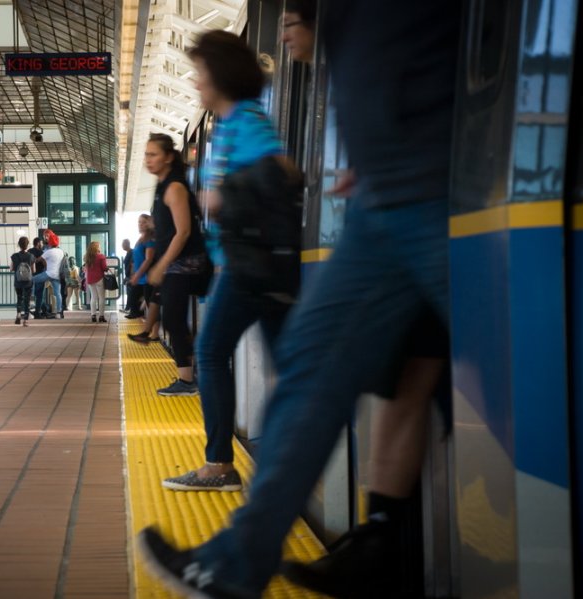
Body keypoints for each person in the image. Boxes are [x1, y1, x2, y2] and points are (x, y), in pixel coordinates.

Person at [139, 0, 460, 595]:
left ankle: (250, 548)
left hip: (416, 192)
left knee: (333, 371)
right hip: (391, 194)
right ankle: (366, 542)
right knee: (386, 375)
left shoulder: (250, 120)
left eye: (291, 21)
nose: (284, 31)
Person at [277, 4, 451, 596]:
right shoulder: (351, 57)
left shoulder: (376, 34)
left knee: (406, 385)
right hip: (406, 221)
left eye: (293, 20)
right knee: (404, 385)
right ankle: (378, 536)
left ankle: (377, 540)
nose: (286, 33)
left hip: (424, 222)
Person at [159, 31, 299, 493]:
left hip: (248, 268)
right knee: (290, 368)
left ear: (220, 74)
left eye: (200, 73)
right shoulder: (227, 126)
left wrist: (223, 194)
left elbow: (282, 172)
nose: (196, 82)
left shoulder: (246, 119)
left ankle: (219, 465)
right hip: (244, 267)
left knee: (210, 352)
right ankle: (291, 460)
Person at [143, 133, 209, 397]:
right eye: (146, 155)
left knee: (171, 318)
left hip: (186, 264)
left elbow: (183, 232)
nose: (148, 160)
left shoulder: (175, 188)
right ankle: (189, 373)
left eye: (153, 154)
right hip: (176, 263)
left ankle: (188, 379)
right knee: (172, 317)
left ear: (168, 157)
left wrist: (161, 265)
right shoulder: (162, 187)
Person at [32, 230, 65, 319]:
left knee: (32, 280)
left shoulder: (48, 252)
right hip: (57, 275)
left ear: (50, 242)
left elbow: (37, 260)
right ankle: (59, 312)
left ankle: (31, 301)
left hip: (48, 273)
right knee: (57, 293)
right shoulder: (61, 252)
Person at [125, 217, 153, 320]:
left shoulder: (149, 239)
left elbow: (148, 259)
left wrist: (137, 275)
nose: (140, 224)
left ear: (149, 224)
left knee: (151, 304)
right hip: (140, 277)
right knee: (134, 303)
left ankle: (153, 333)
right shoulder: (140, 239)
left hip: (146, 277)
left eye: (143, 222)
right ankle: (149, 330)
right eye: (139, 222)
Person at [10, 236, 35, 326]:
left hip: (18, 281)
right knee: (27, 300)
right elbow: (34, 270)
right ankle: (26, 320)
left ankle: (18, 314)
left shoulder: (14, 256)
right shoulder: (31, 256)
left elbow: (11, 268)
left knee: (19, 298)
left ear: (19, 245)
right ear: (27, 245)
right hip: (28, 282)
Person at [84, 241, 108, 323]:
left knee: (93, 297)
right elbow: (104, 268)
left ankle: (93, 315)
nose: (100, 247)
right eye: (99, 246)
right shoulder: (101, 256)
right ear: (97, 247)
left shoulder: (87, 257)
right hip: (99, 279)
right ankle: (101, 316)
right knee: (101, 297)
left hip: (90, 279)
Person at [29, 237, 46, 318]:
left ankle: (43, 309)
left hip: (30, 276)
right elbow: (44, 262)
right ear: (38, 243)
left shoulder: (29, 251)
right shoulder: (41, 252)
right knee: (39, 294)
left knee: (33, 294)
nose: (42, 244)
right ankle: (38, 312)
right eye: (41, 243)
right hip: (40, 275)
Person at [121, 238, 134, 311]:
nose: (122, 246)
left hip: (131, 276)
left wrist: (130, 276)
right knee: (129, 292)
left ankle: (129, 308)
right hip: (128, 276)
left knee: (130, 292)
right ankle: (128, 308)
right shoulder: (128, 252)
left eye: (123, 244)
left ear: (126, 244)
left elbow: (132, 265)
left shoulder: (131, 252)